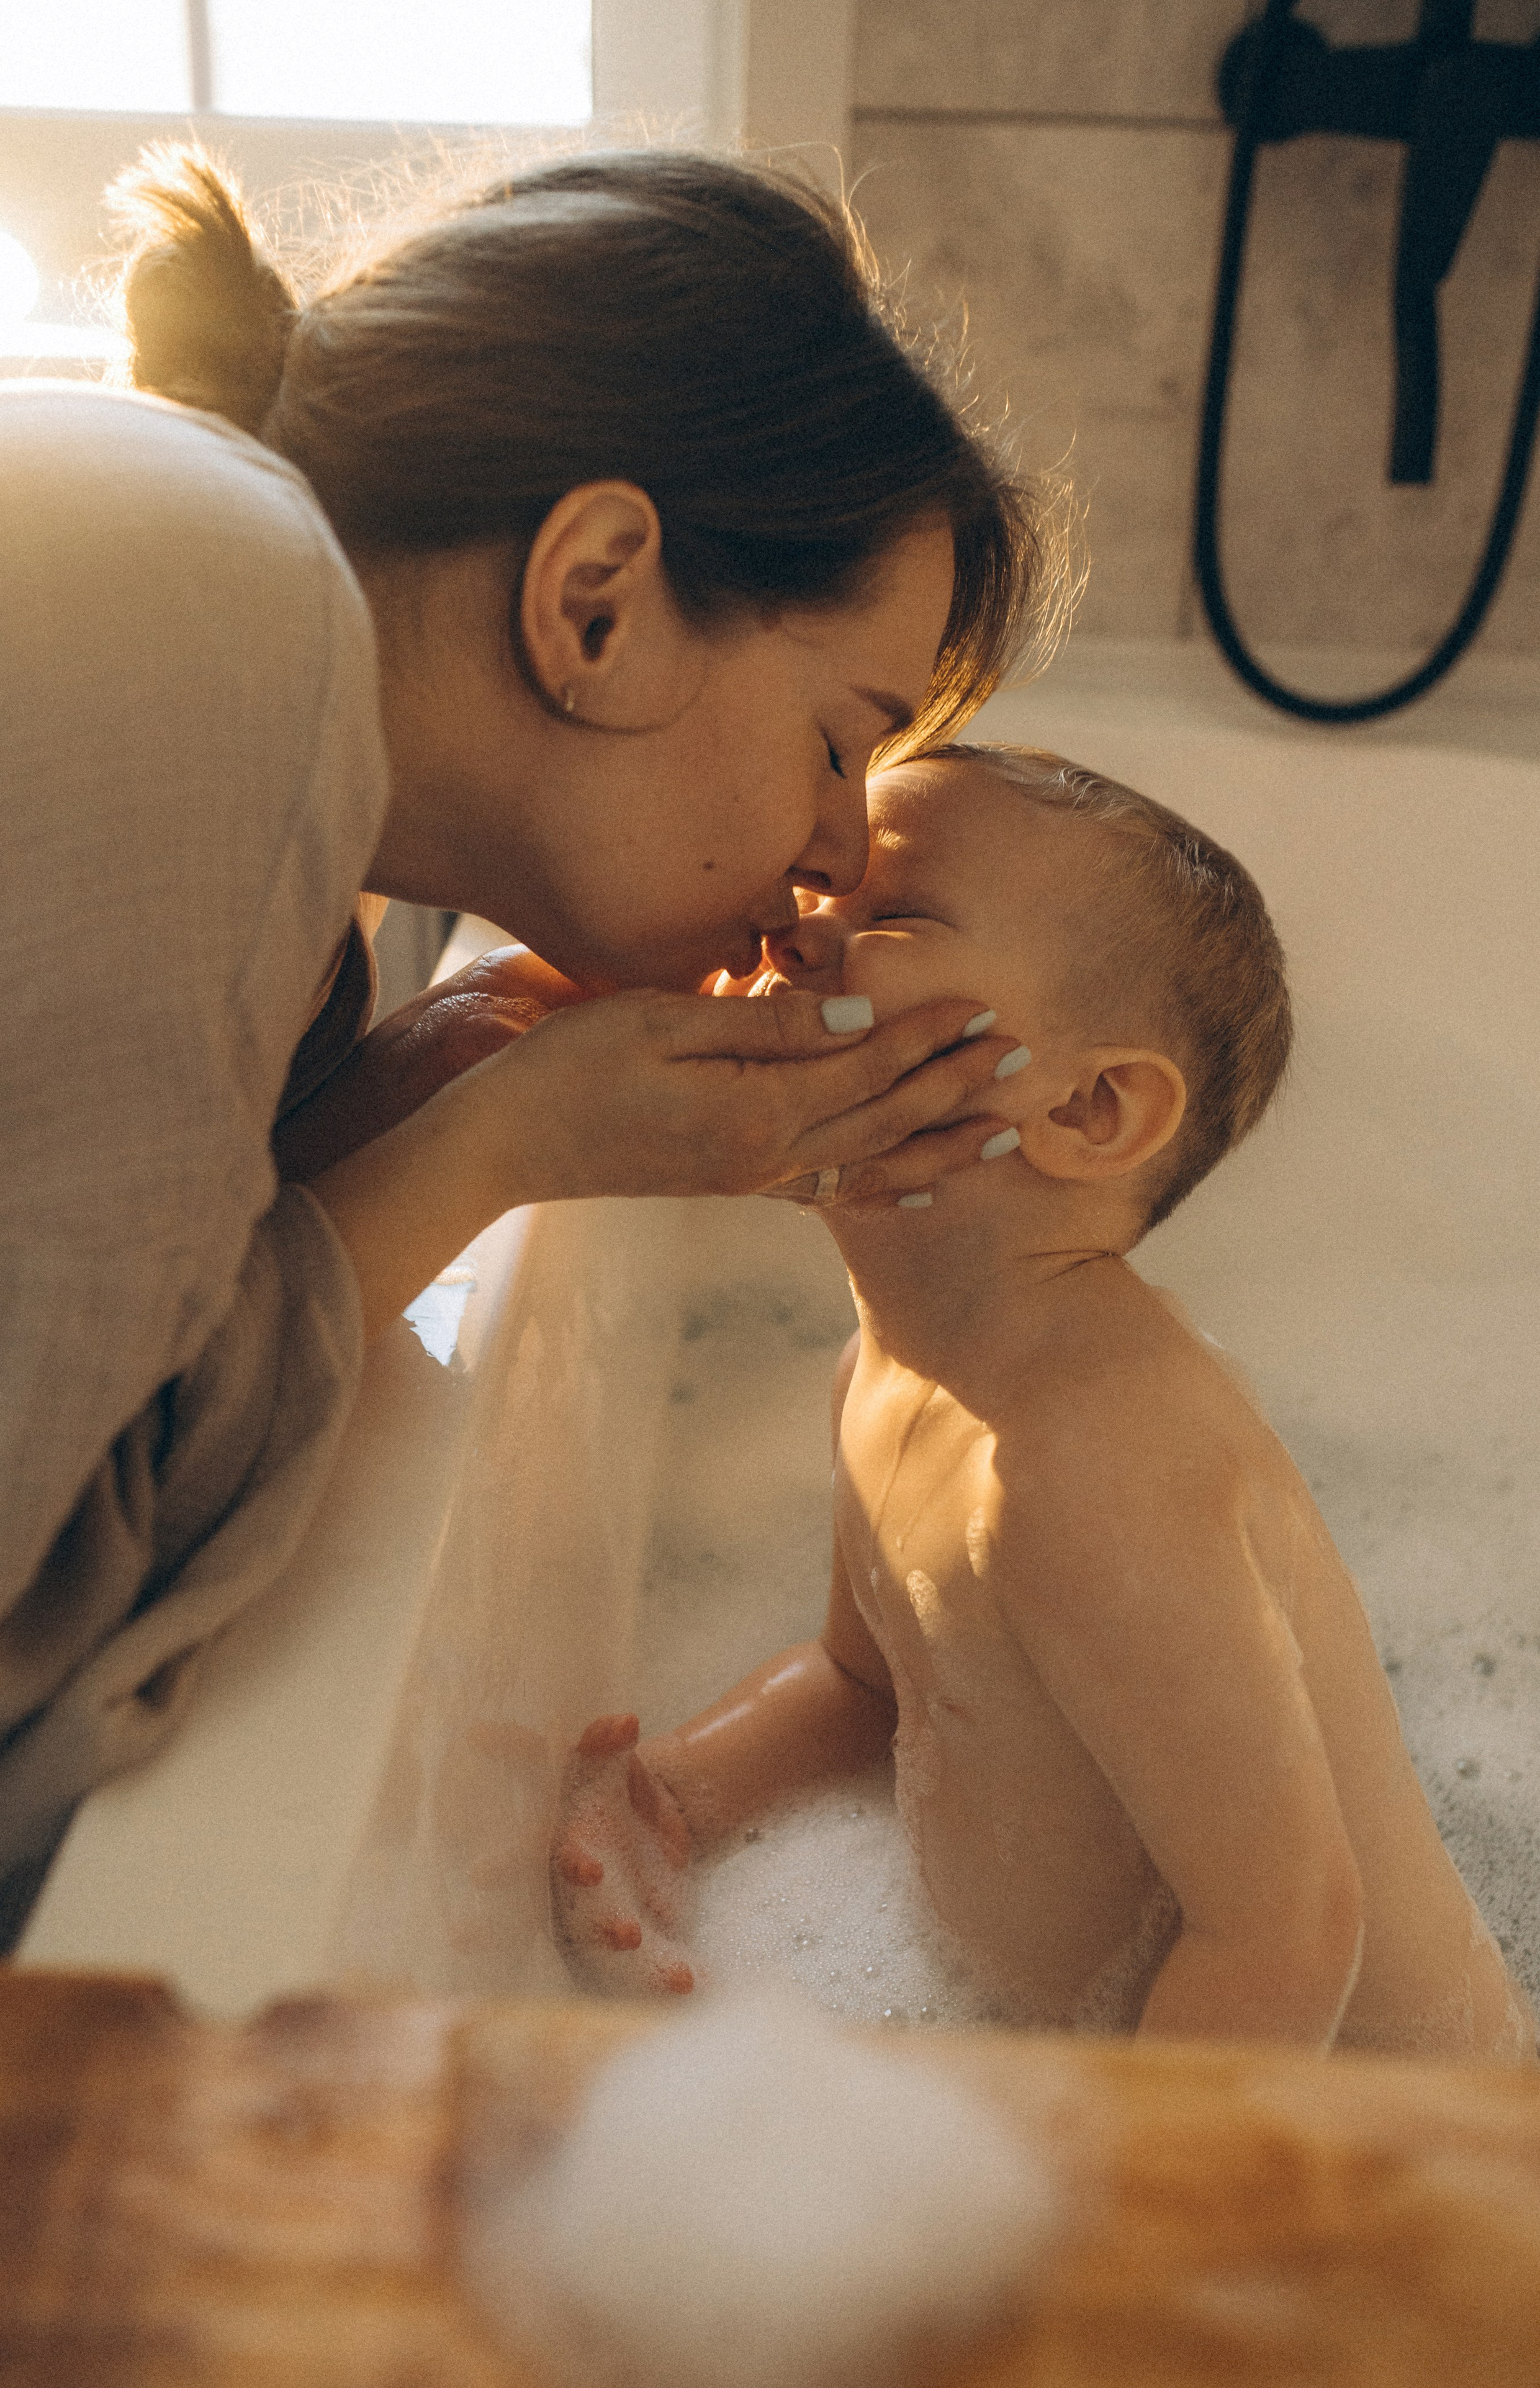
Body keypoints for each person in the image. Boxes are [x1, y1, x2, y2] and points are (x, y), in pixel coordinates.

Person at [0, 148, 1061, 1934]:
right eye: (839, 742)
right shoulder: (209, 635)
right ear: (594, 597)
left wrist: (417, 1094)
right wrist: (500, 1146)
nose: (845, 853)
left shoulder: (222, 608)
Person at [552, 745, 1537, 2060]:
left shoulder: (1094, 1464)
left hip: (1376, 2126)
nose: (793, 932)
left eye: (892, 918)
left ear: (1088, 1108)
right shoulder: (889, 1371)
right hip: (1098, 2040)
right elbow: (865, 1686)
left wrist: (1099, 2176)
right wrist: (675, 1795)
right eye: (808, 892)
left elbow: (1286, 1936)